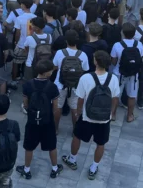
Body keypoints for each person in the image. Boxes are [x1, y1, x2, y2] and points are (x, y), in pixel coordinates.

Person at [62, 50, 120, 180]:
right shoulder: (114, 79)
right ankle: (94, 167)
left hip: (86, 117)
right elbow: (115, 98)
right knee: (100, 143)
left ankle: (72, 159)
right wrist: (111, 113)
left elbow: (80, 99)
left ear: (96, 62)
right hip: (104, 119)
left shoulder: (86, 78)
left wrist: (78, 112)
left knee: (77, 137)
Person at [16, 59, 63, 180]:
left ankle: (26, 170)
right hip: (48, 122)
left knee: (29, 146)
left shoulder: (28, 85)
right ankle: (54, 168)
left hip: (32, 121)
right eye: (51, 70)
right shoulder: (52, 87)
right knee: (52, 145)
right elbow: (56, 107)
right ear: (47, 72)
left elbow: (25, 104)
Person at [53, 29, 89, 131]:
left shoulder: (60, 52)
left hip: (60, 84)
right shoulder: (83, 55)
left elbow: (55, 66)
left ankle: (55, 129)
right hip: (76, 86)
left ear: (66, 41)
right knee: (74, 108)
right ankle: (75, 130)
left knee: (58, 107)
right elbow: (85, 69)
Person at [111, 23, 143, 122]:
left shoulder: (117, 45)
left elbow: (114, 61)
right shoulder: (139, 44)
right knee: (132, 95)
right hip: (133, 74)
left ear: (123, 33)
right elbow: (140, 59)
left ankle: (113, 114)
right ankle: (129, 116)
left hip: (119, 74)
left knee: (116, 95)